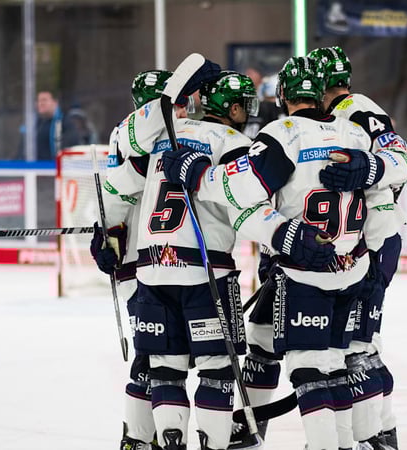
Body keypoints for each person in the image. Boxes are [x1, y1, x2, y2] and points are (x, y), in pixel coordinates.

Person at [162, 56, 407, 450]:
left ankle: (365, 436)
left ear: (282, 94)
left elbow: (241, 190)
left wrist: (197, 175)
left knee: (326, 362)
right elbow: (393, 174)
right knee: (324, 355)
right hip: (353, 261)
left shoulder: (289, 132)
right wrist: (370, 176)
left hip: (305, 267)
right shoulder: (353, 131)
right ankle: (346, 438)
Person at [98, 61, 258, 450]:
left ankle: (154, 441)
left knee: (162, 369)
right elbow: (250, 204)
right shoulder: (232, 143)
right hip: (205, 274)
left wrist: (107, 233)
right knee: (216, 369)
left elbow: (113, 189)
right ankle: (214, 443)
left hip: (150, 271)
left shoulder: (149, 141)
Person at [309, 45, 407, 449]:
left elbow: (396, 158)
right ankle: (379, 432)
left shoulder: (355, 109)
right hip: (366, 239)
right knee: (358, 342)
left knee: (356, 344)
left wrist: (371, 172)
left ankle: (375, 434)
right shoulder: (341, 114)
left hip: (374, 241)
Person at [91, 69, 173, 450]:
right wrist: (106, 233)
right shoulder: (134, 132)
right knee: (156, 357)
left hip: (150, 261)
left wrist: (107, 232)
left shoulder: (127, 131)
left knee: (160, 356)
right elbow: (119, 192)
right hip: (152, 261)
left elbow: (115, 195)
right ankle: (142, 436)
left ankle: (146, 436)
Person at [20, 90, 97, 160]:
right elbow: (22, 149)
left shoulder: (65, 123)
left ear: (55, 102)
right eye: (38, 100)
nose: (41, 103)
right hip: (34, 171)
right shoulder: (34, 125)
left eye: (44, 100)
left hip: (56, 170)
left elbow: (69, 148)